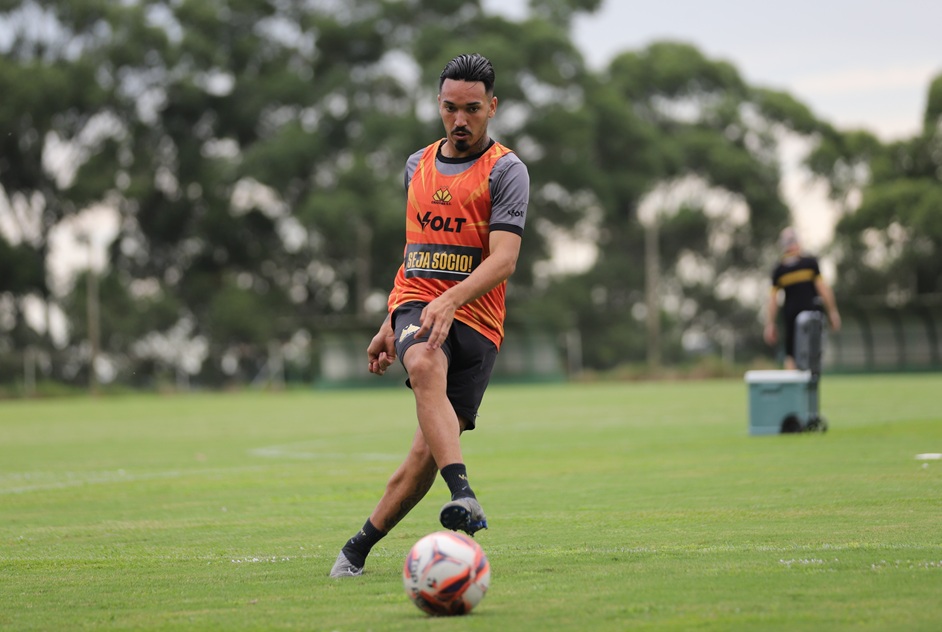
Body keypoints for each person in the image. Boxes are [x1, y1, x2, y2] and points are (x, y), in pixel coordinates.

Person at [329, 53, 529, 578]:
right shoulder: (416, 164)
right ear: (438, 104)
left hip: (478, 322)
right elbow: (415, 252)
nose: (459, 120)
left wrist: (452, 299)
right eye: (449, 108)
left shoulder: (507, 171)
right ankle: (463, 492)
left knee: (424, 457)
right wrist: (390, 320)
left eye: (471, 109)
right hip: (418, 304)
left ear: (492, 107)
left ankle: (355, 551)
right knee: (421, 361)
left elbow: (504, 260)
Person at [764, 227, 841, 369]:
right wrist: (833, 312)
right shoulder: (809, 263)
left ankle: (794, 381)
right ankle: (808, 380)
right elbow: (823, 289)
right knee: (810, 352)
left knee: (792, 355)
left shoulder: (780, 269)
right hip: (809, 314)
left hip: (794, 316)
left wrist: (770, 324)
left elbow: (773, 300)